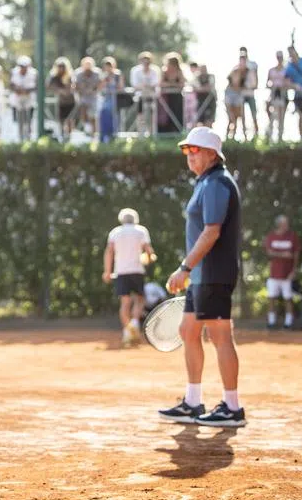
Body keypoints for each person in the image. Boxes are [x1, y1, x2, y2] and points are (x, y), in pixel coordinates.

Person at [159, 126, 245, 428]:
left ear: (212, 154)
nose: (189, 156)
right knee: (188, 331)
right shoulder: (205, 182)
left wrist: (185, 267)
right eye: (186, 151)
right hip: (201, 276)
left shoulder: (218, 183)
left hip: (214, 273)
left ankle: (233, 407)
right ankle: (193, 402)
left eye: (195, 150)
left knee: (221, 336)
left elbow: (212, 231)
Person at [104, 208, 156, 348]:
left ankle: (128, 332)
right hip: (137, 270)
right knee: (140, 300)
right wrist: (150, 259)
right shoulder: (141, 231)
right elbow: (148, 250)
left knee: (125, 302)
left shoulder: (115, 232)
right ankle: (134, 324)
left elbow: (109, 252)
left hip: (121, 271)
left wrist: (107, 271)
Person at [264, 215, 301, 329]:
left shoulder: (292, 236)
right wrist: (283, 255)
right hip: (274, 274)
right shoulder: (271, 236)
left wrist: (294, 271)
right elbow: (269, 252)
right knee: (271, 298)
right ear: (279, 224)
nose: (287, 225)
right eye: (285, 223)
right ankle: (271, 322)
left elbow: (295, 255)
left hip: (287, 275)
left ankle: (288, 323)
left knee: (288, 298)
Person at [128, 52, 160, 137]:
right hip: (140, 97)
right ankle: (140, 135)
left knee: (152, 116)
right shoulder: (135, 70)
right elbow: (135, 84)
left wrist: (145, 86)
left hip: (151, 97)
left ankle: (152, 134)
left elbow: (155, 83)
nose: (146, 64)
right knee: (140, 116)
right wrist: (145, 87)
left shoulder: (154, 70)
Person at [9, 56, 37, 141]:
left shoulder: (34, 73)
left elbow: (36, 86)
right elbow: (11, 85)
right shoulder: (14, 72)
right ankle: (20, 137)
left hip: (29, 99)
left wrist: (26, 91)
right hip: (18, 100)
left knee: (29, 119)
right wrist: (17, 90)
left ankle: (28, 137)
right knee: (20, 119)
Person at [73, 57, 102, 139]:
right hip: (83, 97)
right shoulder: (78, 73)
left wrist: (93, 90)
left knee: (93, 116)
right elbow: (75, 85)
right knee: (83, 112)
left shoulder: (97, 73)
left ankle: (94, 135)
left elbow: (100, 83)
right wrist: (81, 90)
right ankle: (87, 128)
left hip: (94, 98)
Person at [48, 57, 76, 141]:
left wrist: (65, 91)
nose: (61, 68)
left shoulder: (70, 76)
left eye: (63, 66)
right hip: (61, 102)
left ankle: (69, 136)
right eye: (59, 66)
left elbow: (72, 86)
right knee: (61, 120)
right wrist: (59, 90)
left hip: (71, 101)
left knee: (70, 119)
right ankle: (62, 135)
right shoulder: (54, 77)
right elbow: (49, 86)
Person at [224, 54, 248, 140]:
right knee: (232, 119)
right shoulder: (235, 71)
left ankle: (234, 137)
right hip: (230, 96)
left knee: (237, 118)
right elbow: (234, 84)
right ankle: (228, 138)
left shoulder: (246, 72)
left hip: (237, 96)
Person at [98, 57, 122, 143]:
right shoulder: (103, 75)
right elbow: (99, 88)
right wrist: (105, 80)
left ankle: (113, 135)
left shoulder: (117, 74)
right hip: (105, 99)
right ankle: (104, 135)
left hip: (115, 99)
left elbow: (120, 87)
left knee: (115, 117)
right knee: (104, 115)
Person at [266, 51, 288, 142]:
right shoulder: (271, 70)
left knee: (281, 116)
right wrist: (273, 86)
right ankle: (270, 135)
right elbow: (267, 83)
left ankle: (280, 137)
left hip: (282, 94)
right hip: (274, 94)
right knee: (272, 115)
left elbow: (288, 82)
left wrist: (283, 86)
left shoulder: (286, 70)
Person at [239, 47, 259, 140]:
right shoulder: (238, 66)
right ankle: (245, 136)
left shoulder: (252, 65)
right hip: (241, 94)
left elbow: (255, 79)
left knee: (254, 114)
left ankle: (256, 134)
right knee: (242, 116)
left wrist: (254, 85)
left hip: (250, 94)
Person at [190, 62, 216, 127]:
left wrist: (201, 88)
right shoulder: (196, 77)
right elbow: (195, 87)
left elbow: (210, 87)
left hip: (210, 101)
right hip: (200, 101)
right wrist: (202, 88)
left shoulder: (211, 76)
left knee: (209, 119)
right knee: (199, 119)